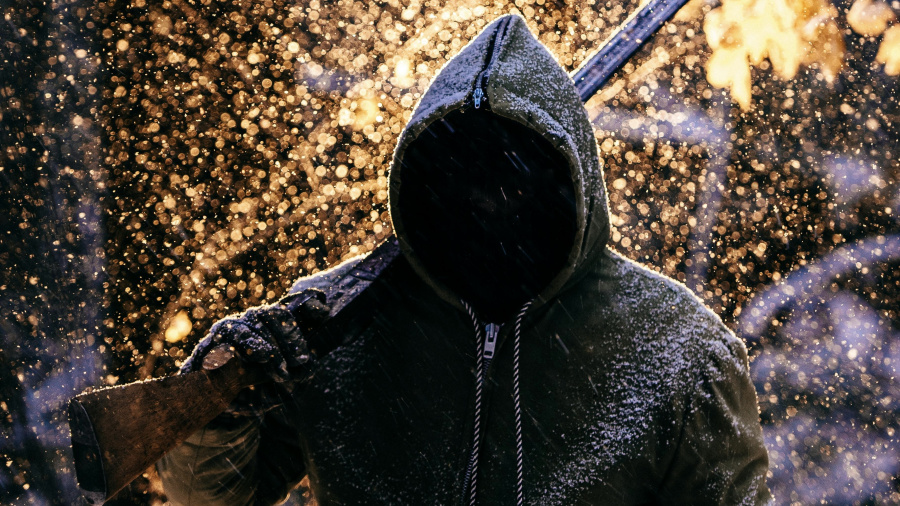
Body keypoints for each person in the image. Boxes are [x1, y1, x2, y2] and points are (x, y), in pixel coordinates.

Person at [158, 14, 771, 505]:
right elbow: (210, 498)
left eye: (511, 181)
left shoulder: (680, 350)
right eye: (466, 177)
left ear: (566, 184)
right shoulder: (331, 327)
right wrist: (216, 401)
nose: (487, 201)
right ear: (421, 182)